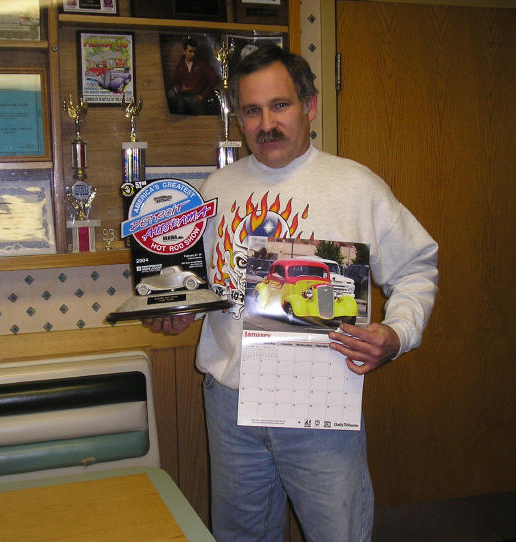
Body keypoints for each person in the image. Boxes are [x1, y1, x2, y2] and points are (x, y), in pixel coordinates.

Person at [145, 45, 438, 542]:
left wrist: (398, 332)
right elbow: (206, 286)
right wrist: (180, 312)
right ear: (239, 118)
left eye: (279, 105)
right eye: (252, 110)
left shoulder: (356, 186)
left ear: (310, 106)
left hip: (320, 405)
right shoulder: (215, 190)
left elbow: (416, 267)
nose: (266, 124)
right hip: (231, 406)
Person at [167, 37, 219, 115]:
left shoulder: (202, 65)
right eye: (190, 51)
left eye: (194, 52)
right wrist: (181, 89)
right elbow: (175, 84)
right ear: (184, 51)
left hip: (197, 102)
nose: (193, 54)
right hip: (183, 101)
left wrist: (202, 95)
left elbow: (213, 80)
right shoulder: (180, 66)